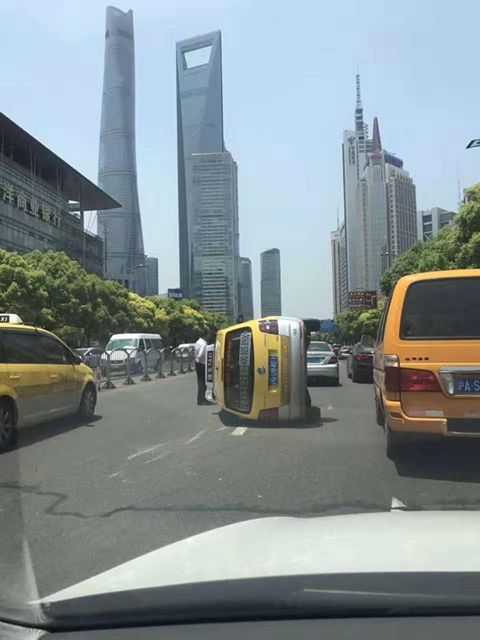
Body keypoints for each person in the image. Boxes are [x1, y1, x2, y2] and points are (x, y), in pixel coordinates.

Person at [194, 335, 209, 405]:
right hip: (202, 364)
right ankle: (201, 400)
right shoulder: (204, 344)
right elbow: (200, 355)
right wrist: (199, 360)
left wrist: (197, 360)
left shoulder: (198, 342)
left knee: (200, 382)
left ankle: (201, 398)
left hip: (198, 364)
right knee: (203, 383)